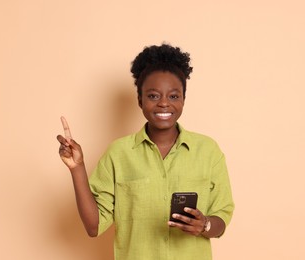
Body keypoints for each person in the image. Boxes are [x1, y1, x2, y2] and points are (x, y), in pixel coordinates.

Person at [56, 43, 234, 260]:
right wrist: (77, 168)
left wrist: (203, 224)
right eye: (153, 96)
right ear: (140, 100)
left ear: (184, 100)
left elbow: (221, 220)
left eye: (174, 96)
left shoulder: (208, 151)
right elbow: (93, 227)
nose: (164, 104)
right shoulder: (118, 153)